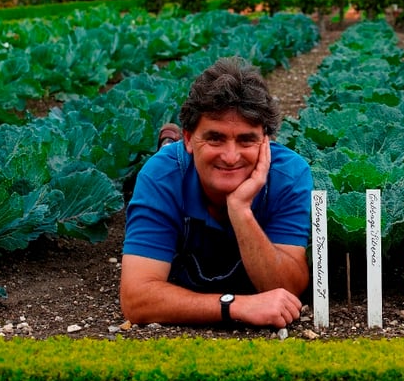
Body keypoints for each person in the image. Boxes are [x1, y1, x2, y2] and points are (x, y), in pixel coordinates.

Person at [120, 56, 313, 329]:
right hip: (174, 167)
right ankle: (168, 144)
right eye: (215, 138)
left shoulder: (289, 175)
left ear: (266, 141)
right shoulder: (160, 176)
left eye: (247, 140)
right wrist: (235, 305)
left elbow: (287, 288)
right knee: (165, 164)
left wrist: (240, 210)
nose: (231, 156)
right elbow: (136, 300)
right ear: (189, 138)